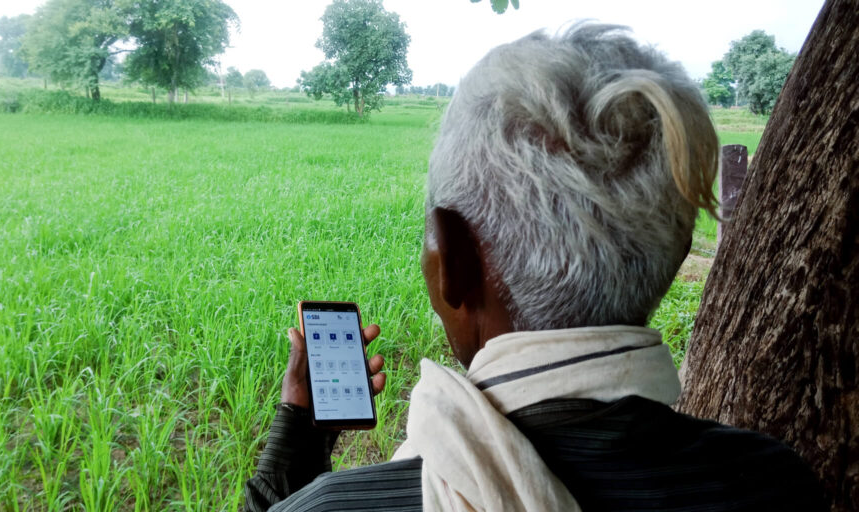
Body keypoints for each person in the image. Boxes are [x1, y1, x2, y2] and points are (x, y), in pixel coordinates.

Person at [243, 24, 825, 512]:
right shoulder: (778, 485)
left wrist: (300, 438)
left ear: (454, 263)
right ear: (671, 259)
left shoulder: (331, 508)